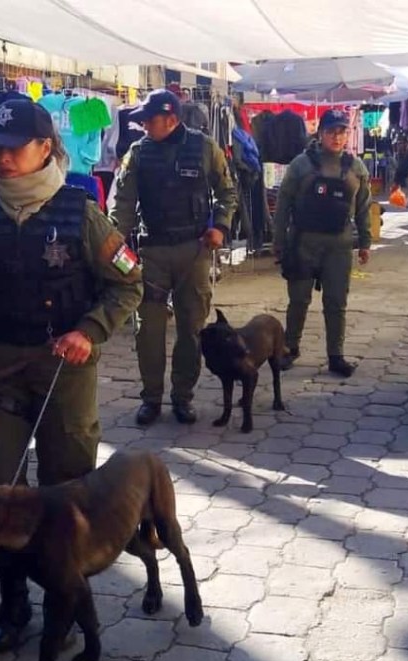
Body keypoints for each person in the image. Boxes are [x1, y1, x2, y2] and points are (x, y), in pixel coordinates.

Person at [0, 99, 142, 653]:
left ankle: (68, 598)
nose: (1, 160)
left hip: (64, 366)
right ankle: (13, 603)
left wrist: (91, 329)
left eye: (13, 149)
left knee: (65, 491)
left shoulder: (80, 213)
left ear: (46, 148)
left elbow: (128, 282)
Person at [110, 89, 237, 426]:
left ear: (171, 118)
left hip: (193, 251)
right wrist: (115, 242)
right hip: (150, 252)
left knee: (191, 327)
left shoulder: (204, 147)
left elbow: (228, 192)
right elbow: (122, 202)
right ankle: (151, 398)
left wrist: (220, 227)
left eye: (148, 120)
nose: (143, 126)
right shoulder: (137, 153)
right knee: (147, 330)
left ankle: (183, 396)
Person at [273, 109, 373, 377]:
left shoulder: (356, 167)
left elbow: (364, 208)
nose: (337, 137)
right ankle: (290, 348)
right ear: (320, 133)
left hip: (339, 246)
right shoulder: (300, 165)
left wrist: (365, 242)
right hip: (303, 243)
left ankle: (335, 355)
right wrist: (279, 241)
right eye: (331, 132)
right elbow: (283, 205)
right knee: (298, 300)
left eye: (342, 132)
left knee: (336, 302)